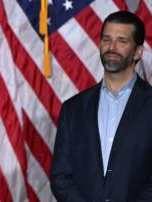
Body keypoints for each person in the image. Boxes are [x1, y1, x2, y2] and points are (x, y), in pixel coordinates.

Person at [50, 11, 152, 201]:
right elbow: (61, 175)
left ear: (138, 51)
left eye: (122, 40)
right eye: (106, 39)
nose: (111, 47)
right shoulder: (73, 109)